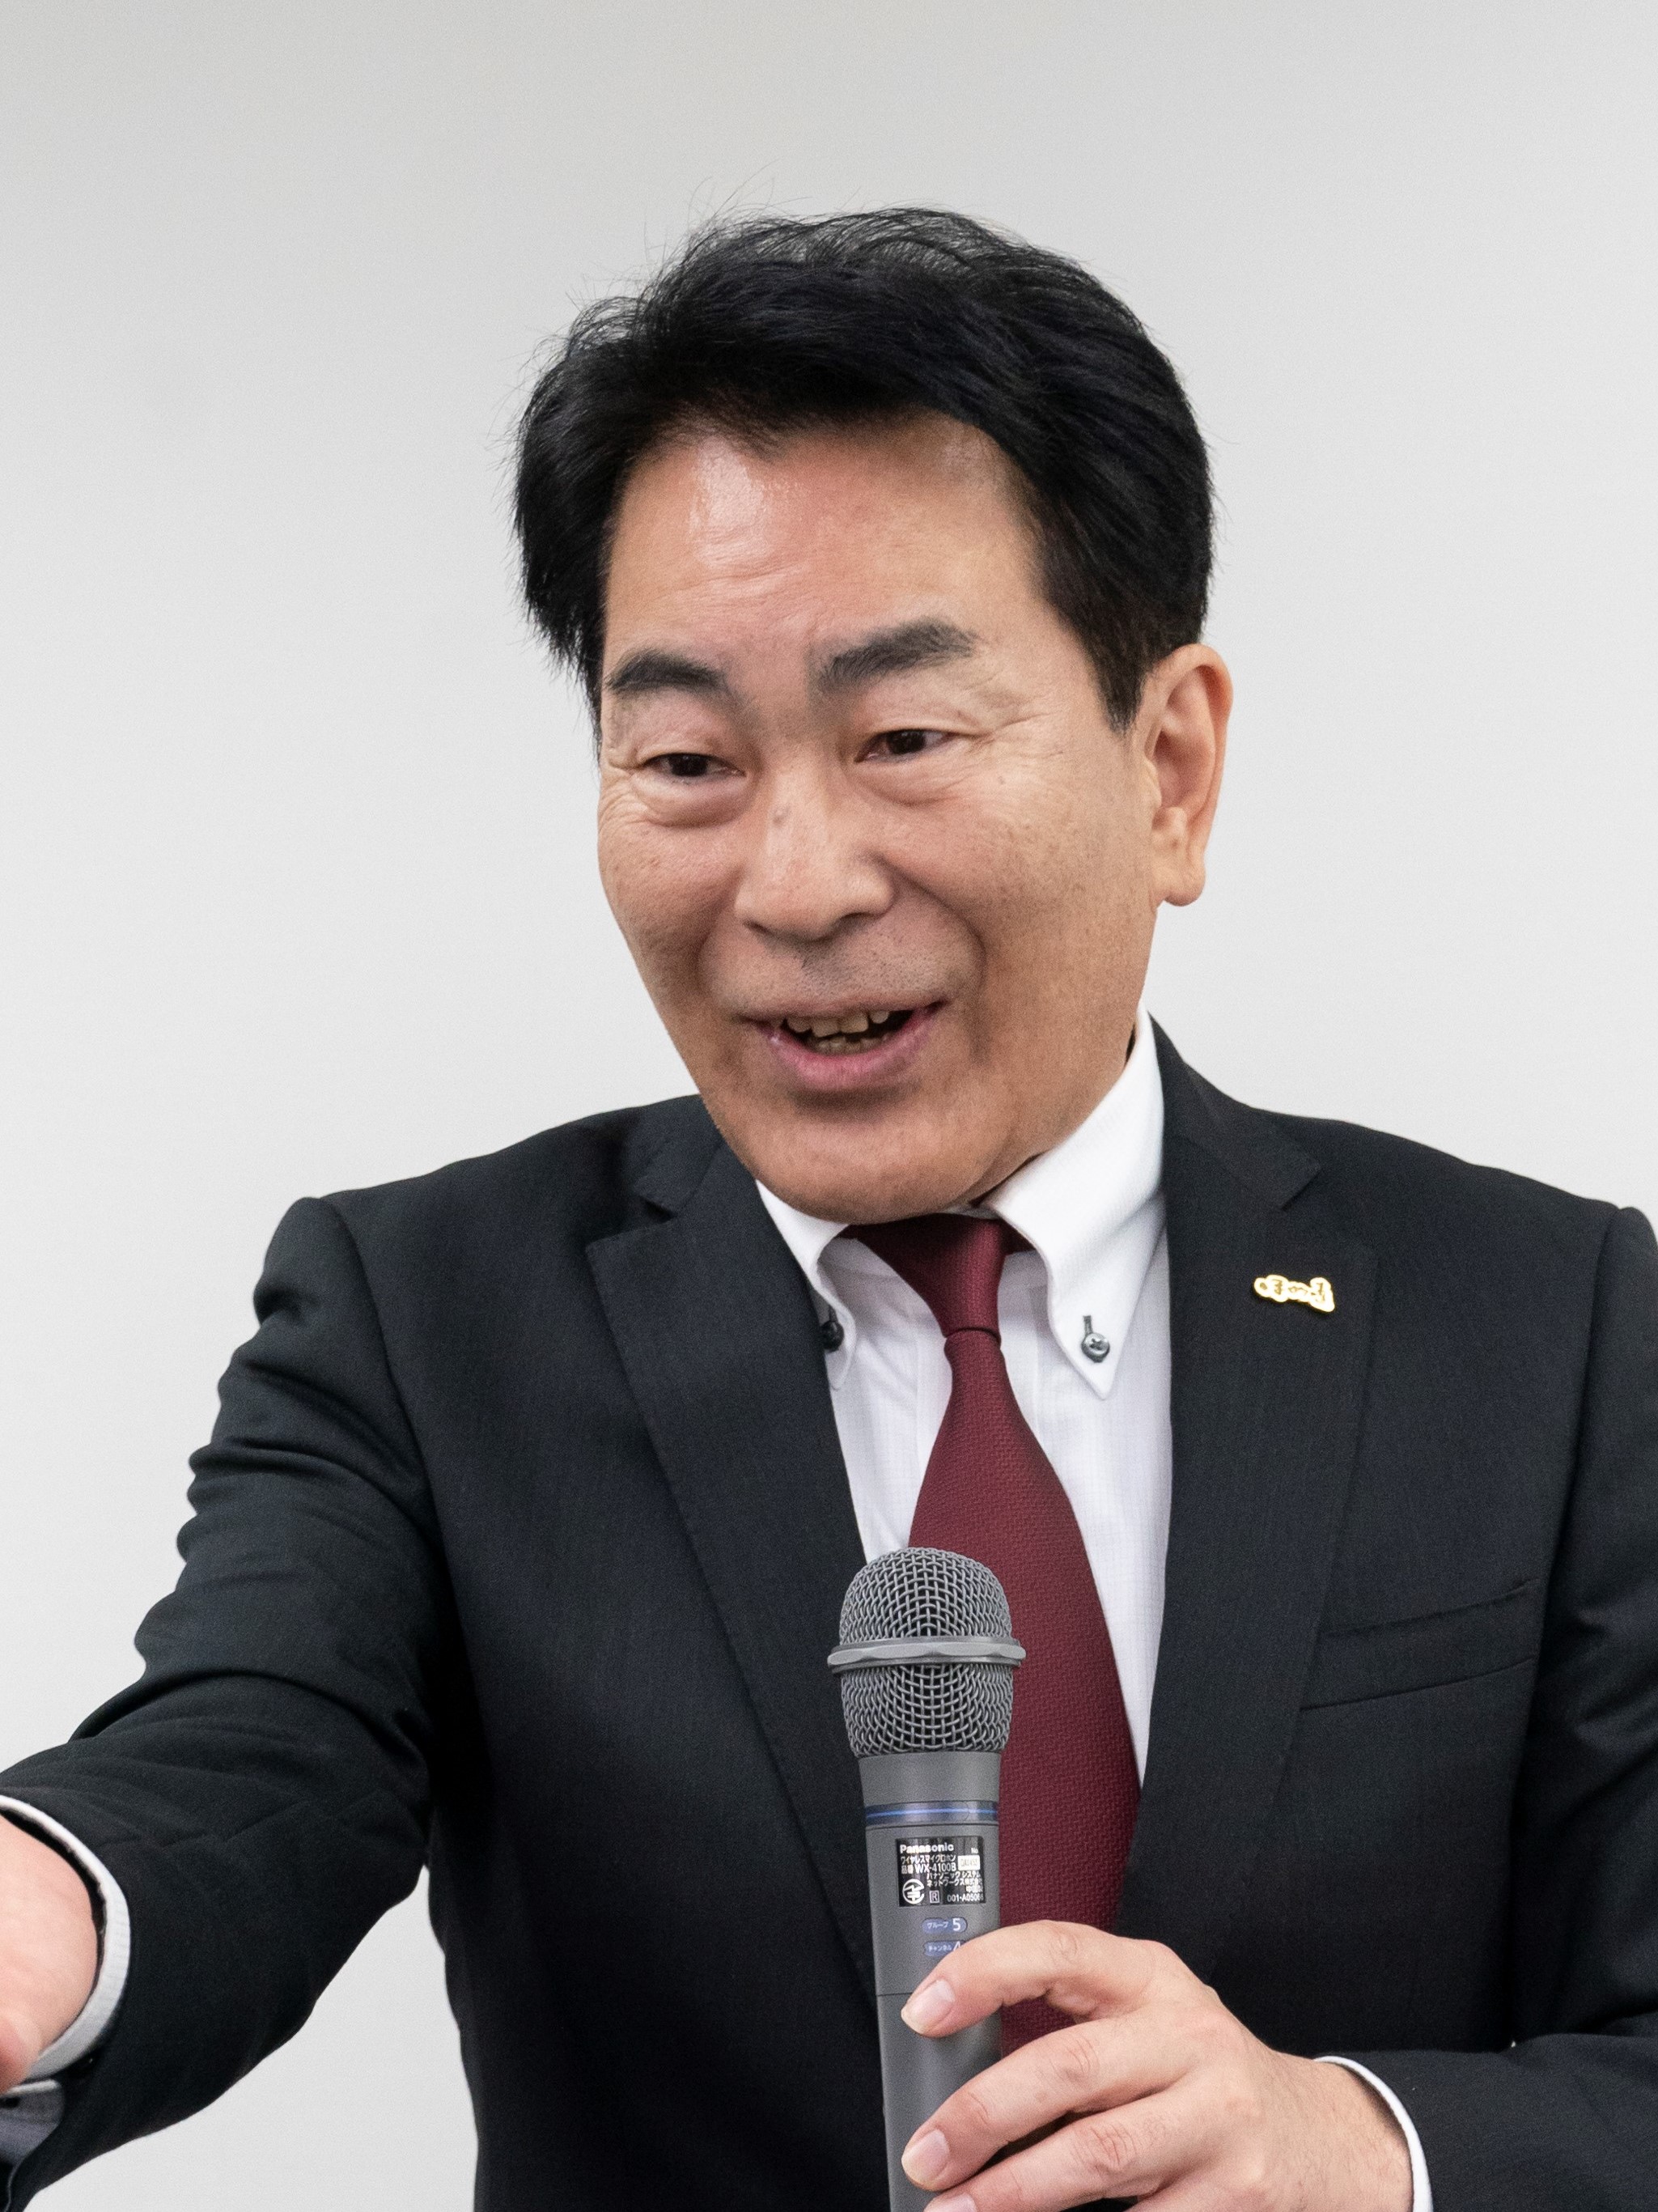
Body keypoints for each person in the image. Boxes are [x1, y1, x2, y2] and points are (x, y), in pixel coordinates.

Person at [2, 209, 1655, 2212]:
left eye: (903, 739)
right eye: (686, 757)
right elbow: (240, 1764)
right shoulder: (424, 1318)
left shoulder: (1550, 1324)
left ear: (1167, 768)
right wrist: (43, 1914)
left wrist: (1359, 2146)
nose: (793, 882)